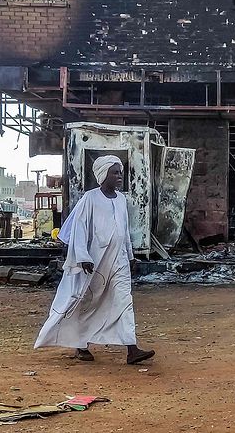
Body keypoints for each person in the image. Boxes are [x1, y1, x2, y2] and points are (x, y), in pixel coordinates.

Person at [35, 156, 155, 365]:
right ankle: (80, 344)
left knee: (124, 300)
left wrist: (130, 255)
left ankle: (132, 349)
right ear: (102, 175)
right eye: (115, 172)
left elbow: (123, 231)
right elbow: (79, 229)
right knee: (85, 300)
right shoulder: (89, 199)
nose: (119, 176)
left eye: (120, 172)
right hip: (94, 262)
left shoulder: (120, 200)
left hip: (118, 261)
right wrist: (82, 257)